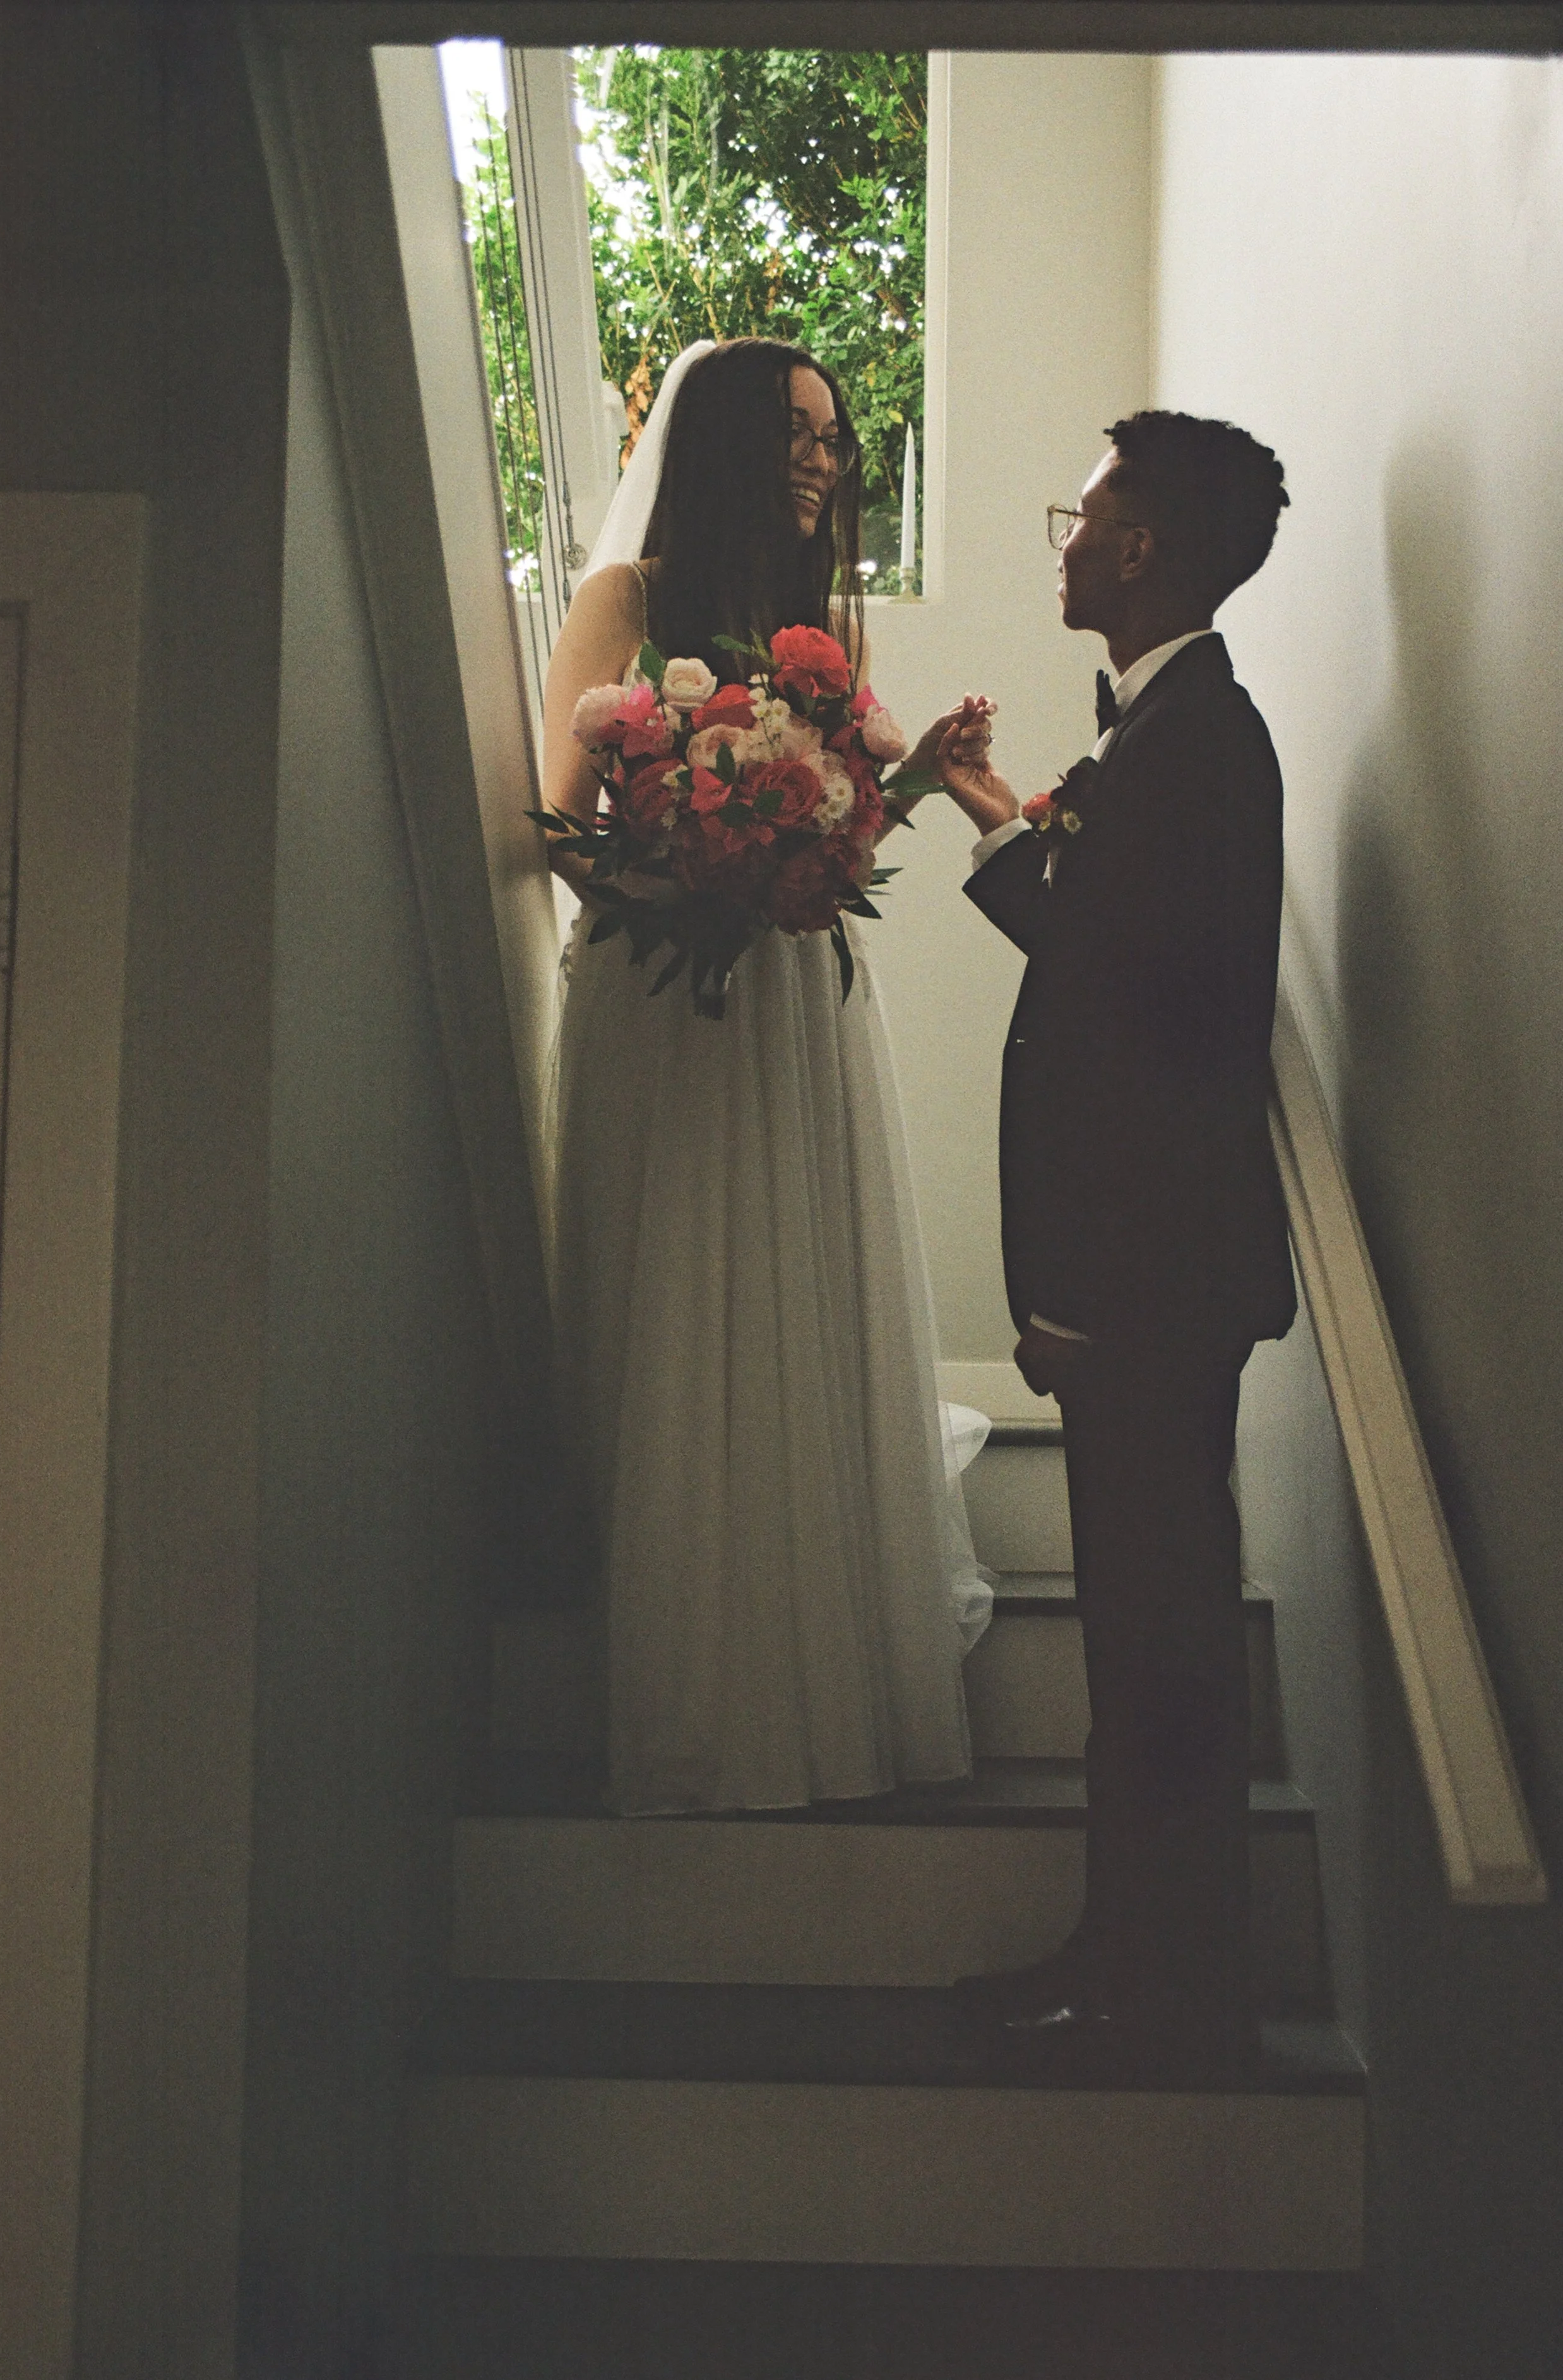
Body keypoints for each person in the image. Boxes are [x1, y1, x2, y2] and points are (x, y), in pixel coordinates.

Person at [542, 338, 987, 1817]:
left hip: (793, 991)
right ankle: (679, 1678)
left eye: (831, 437)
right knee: (676, 1300)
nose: (819, 459)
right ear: (723, 441)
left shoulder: (820, 639)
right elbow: (553, 820)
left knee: (796, 1290)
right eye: (793, 432)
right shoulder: (624, 602)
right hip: (659, 987)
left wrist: (897, 782)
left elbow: (855, 826)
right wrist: (684, 839)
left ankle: (811, 1660)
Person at [939, 411, 1298, 2082]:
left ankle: (1163, 1993)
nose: (1063, 533)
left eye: (1077, 509)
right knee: (1138, 1647)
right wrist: (989, 810)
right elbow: (1103, 946)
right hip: (1150, 1296)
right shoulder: (1174, 739)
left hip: (1145, 1301)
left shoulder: (1200, 743)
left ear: (1140, 544)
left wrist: (1085, 1296)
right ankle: (1128, 1960)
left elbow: (1157, 1045)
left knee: (1155, 1658)